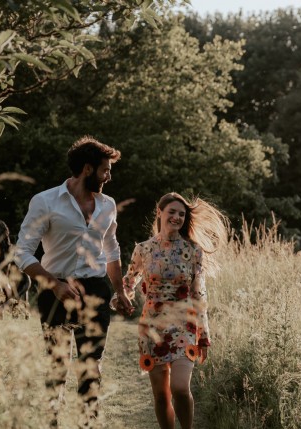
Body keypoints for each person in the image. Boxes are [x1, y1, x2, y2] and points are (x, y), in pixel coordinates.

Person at [14, 136, 133, 427]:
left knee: (91, 368)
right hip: (54, 289)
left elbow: (111, 249)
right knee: (57, 367)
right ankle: (52, 422)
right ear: (88, 169)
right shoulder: (45, 201)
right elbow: (22, 252)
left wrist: (120, 291)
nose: (109, 176)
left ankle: (87, 424)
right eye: (105, 170)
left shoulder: (108, 205)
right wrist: (54, 284)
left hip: (95, 290)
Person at [121, 192, 227, 429]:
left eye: (182, 214)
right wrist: (122, 297)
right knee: (160, 395)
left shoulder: (193, 251)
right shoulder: (143, 249)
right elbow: (130, 281)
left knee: (179, 388)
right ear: (160, 213)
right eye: (172, 212)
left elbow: (199, 294)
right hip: (152, 328)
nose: (177, 217)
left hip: (184, 326)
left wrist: (204, 336)